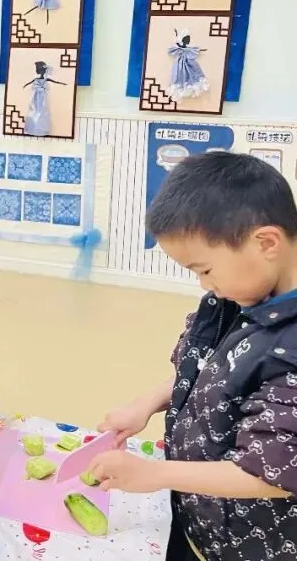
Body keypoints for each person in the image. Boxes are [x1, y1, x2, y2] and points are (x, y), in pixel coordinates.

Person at [91, 152, 297, 561]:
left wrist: (156, 474)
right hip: (199, 514)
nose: (205, 285)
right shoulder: (242, 294)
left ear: (266, 243)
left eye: (204, 270)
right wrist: (144, 404)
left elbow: (271, 473)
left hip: (251, 543)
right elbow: (210, 370)